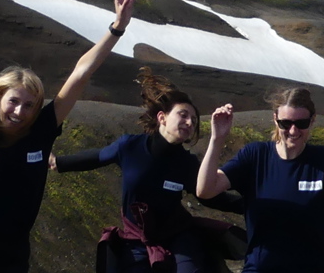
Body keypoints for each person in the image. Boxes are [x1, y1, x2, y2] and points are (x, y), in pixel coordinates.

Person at [0, 0, 141, 272]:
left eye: (29, 105)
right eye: (13, 101)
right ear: (0, 99)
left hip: (14, 249)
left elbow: (81, 73)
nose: (20, 111)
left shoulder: (41, 130)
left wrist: (117, 28)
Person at [52, 67, 245, 273]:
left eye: (194, 120)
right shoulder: (130, 147)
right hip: (136, 238)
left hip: (179, 236)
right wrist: (59, 162)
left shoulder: (187, 163)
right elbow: (97, 157)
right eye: (183, 115)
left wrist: (251, 203)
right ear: (162, 117)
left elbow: (208, 197)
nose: (189, 123)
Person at [194, 90, 324, 272]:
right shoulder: (255, 156)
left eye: (301, 123)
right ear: (275, 120)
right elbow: (206, 190)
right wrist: (217, 139)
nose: (293, 130)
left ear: (312, 121)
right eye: (286, 123)